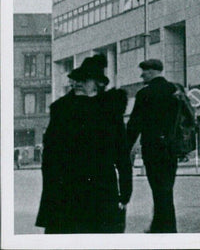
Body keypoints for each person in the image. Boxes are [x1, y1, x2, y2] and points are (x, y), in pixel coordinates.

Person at [36, 55, 132, 234]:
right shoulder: (61, 109)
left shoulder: (110, 110)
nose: (77, 83)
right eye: (75, 79)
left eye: (84, 79)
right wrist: (51, 190)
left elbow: (122, 154)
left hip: (102, 189)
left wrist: (125, 192)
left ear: (98, 83)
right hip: (67, 189)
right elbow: (49, 155)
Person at [126, 58, 183, 233]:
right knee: (166, 189)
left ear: (151, 72)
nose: (142, 75)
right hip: (171, 148)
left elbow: (135, 123)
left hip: (153, 148)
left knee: (159, 190)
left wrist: (125, 146)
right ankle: (162, 226)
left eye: (144, 71)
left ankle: (165, 230)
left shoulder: (145, 93)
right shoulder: (175, 89)